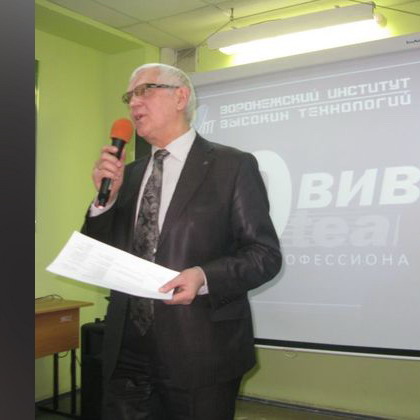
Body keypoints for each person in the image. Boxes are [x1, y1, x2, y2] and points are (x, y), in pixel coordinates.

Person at [82, 63, 282, 419]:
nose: (134, 103)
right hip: (126, 350)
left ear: (180, 97)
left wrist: (204, 276)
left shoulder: (232, 166)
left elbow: (264, 255)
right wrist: (104, 203)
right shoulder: (128, 175)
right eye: (129, 96)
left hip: (201, 352)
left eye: (144, 90)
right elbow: (99, 254)